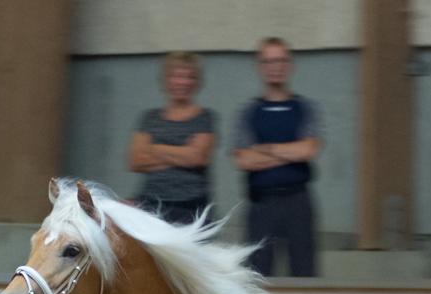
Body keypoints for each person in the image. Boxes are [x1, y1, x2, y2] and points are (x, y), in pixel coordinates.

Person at [231, 37, 323, 277]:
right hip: (261, 204)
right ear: (260, 67)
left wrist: (264, 149)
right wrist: (290, 152)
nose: (276, 66)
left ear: (290, 65)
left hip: (298, 202)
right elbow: (243, 160)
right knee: (257, 277)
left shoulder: (305, 108)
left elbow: (309, 150)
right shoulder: (249, 113)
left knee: (305, 274)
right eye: (269, 61)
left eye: (281, 60)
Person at [128, 51, 216, 225]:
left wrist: (155, 148)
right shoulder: (150, 118)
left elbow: (197, 157)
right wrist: (182, 153)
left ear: (196, 82)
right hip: (151, 207)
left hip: (191, 210)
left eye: (188, 77)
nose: (182, 82)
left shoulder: (205, 117)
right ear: (165, 80)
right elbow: (136, 161)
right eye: (176, 76)